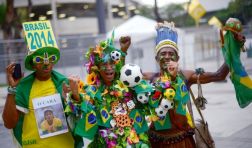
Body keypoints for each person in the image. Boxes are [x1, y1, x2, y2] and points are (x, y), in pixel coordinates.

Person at [143, 21, 230, 148]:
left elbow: (219, 75)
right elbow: (118, 78)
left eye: (171, 54)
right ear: (157, 59)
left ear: (177, 58)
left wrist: (232, 51)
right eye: (163, 54)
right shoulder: (152, 77)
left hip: (182, 141)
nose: (167, 57)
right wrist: (123, 52)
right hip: (156, 141)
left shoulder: (185, 76)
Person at [64, 34, 151, 147]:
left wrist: (123, 51)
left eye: (111, 64)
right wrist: (75, 94)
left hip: (132, 142)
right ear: (97, 69)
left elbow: (126, 74)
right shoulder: (93, 91)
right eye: (104, 64)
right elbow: (80, 109)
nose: (109, 68)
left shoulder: (125, 85)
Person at [2, 23, 78, 147]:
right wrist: (12, 89)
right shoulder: (24, 87)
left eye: (50, 59)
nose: (46, 64)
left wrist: (74, 96)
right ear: (32, 64)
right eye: (39, 59)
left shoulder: (65, 83)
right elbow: (9, 124)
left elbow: (80, 119)